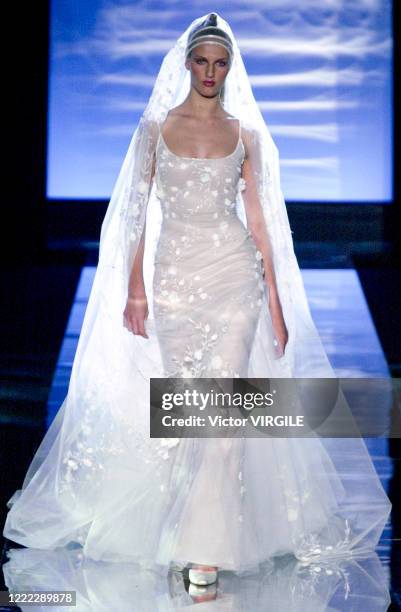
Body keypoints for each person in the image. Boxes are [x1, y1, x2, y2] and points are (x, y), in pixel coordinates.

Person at [3, 13, 391, 589]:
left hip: (234, 276)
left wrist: (277, 306)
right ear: (187, 64)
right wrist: (134, 288)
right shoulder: (155, 129)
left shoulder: (246, 133)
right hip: (174, 280)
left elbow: (258, 222)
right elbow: (135, 214)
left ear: (229, 69)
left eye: (221, 63)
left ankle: (205, 549)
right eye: (202, 61)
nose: (210, 72)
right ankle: (182, 527)